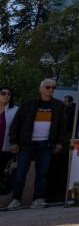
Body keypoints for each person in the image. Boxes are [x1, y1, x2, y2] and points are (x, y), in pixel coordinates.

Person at [5, 79, 66, 209]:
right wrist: (14, 142)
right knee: (21, 173)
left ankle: (38, 199)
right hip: (27, 144)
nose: (50, 90)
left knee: (42, 173)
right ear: (41, 89)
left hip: (46, 144)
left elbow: (62, 126)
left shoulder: (58, 105)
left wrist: (60, 142)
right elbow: (16, 124)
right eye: (48, 87)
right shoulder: (29, 104)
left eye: (53, 88)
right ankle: (16, 199)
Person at [1, 87, 19, 197]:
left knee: (1, 173)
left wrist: (15, 143)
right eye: (3, 93)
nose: (6, 95)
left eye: (9, 94)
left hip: (6, 147)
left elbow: (17, 128)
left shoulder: (15, 110)